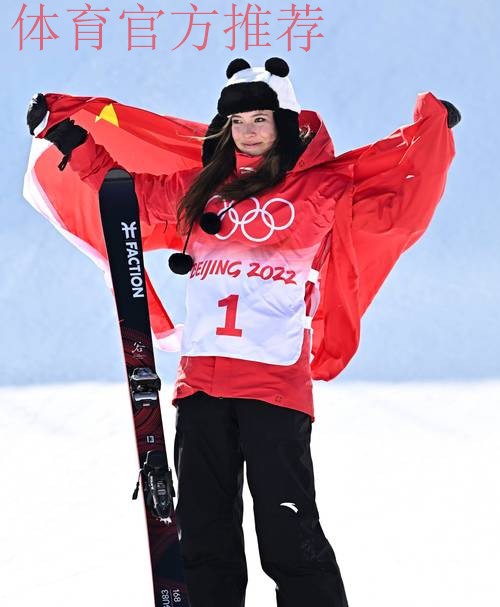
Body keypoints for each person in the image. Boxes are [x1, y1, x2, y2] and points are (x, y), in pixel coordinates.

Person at [26, 57, 460, 607]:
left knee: (289, 538)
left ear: (285, 123)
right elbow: (125, 196)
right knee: (204, 535)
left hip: (274, 389)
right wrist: (71, 139)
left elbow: (395, 193)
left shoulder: (323, 187)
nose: (249, 132)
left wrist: (430, 135)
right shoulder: (200, 187)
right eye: (237, 121)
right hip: (201, 387)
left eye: (260, 119)